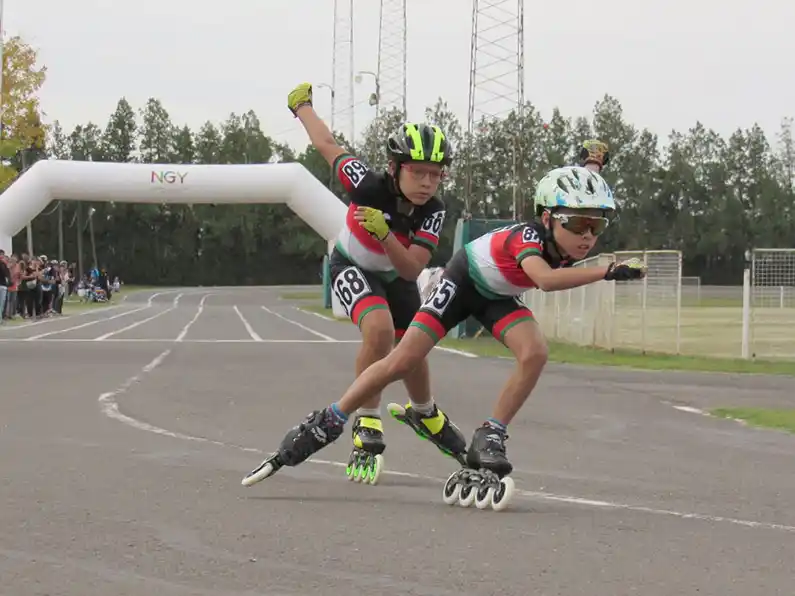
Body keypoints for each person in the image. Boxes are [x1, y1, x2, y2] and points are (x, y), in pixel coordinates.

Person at [241, 165, 647, 508]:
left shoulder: (564, 241)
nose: (588, 236)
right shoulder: (527, 237)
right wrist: (607, 271)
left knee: (535, 352)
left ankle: (492, 433)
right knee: (402, 360)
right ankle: (328, 419)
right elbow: (543, 279)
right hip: (463, 279)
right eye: (577, 223)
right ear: (545, 218)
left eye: (597, 224)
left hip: (498, 295)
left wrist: (592, 165)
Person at [257, 82, 464, 485]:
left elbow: (411, 270)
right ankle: (367, 420)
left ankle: (424, 411)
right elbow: (327, 145)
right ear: (395, 168)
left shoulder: (433, 211)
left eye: (435, 175)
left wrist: (386, 235)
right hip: (351, 264)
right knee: (380, 330)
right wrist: (302, 107)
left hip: (394, 270)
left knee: (415, 347)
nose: (426, 183)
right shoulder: (367, 185)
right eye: (417, 172)